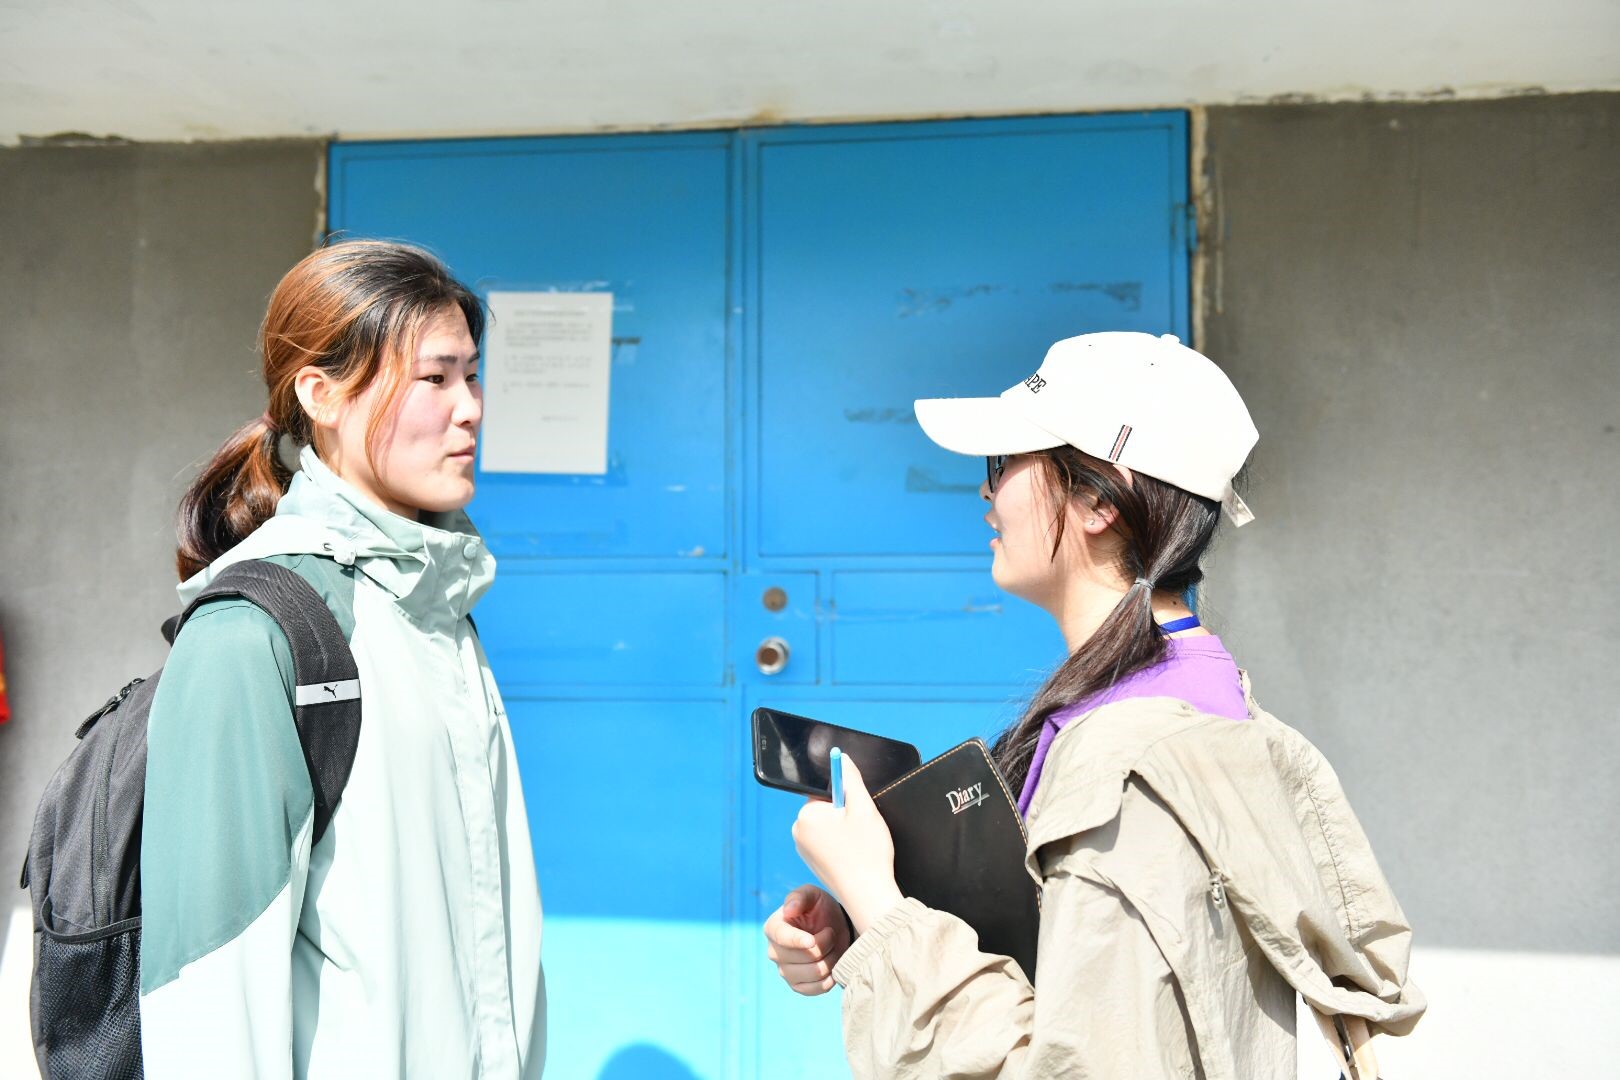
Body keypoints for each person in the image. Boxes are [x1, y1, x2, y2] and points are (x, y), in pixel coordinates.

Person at [763, 332, 1424, 1078]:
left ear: (1097, 500)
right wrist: (864, 929)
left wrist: (881, 909)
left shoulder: (1128, 771)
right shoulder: (1193, 701)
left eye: (1002, 463)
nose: (986, 493)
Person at [139, 240, 545, 1077]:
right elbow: (210, 994)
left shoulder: (436, 609)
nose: (469, 408)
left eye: (472, 376)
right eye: (434, 378)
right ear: (319, 395)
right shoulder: (255, 633)